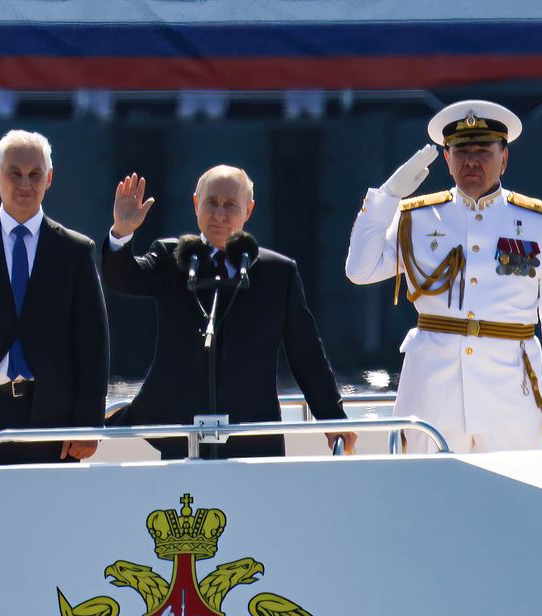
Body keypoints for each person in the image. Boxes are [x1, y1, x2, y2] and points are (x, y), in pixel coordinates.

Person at [345, 100, 542, 453]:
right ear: (446, 158)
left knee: (512, 503)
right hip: (431, 398)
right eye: (461, 151)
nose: (471, 161)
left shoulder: (540, 223)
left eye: (483, 151)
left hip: (510, 399)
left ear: (504, 157)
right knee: (425, 502)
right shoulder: (417, 217)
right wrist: (387, 197)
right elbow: (359, 270)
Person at [103, 166, 355, 459]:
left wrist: (332, 418)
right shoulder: (172, 258)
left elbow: (306, 353)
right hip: (181, 436)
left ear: (248, 210)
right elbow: (122, 278)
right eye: (211, 203)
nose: (220, 215)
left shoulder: (277, 272)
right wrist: (121, 232)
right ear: (196, 204)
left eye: (230, 206)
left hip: (253, 437)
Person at [0, 130, 109, 466]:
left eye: (35, 174)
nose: (25, 184)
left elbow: (92, 345)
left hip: (57, 420)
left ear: (49, 178)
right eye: (15, 173)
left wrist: (89, 424)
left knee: (53, 518)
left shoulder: (75, 251)